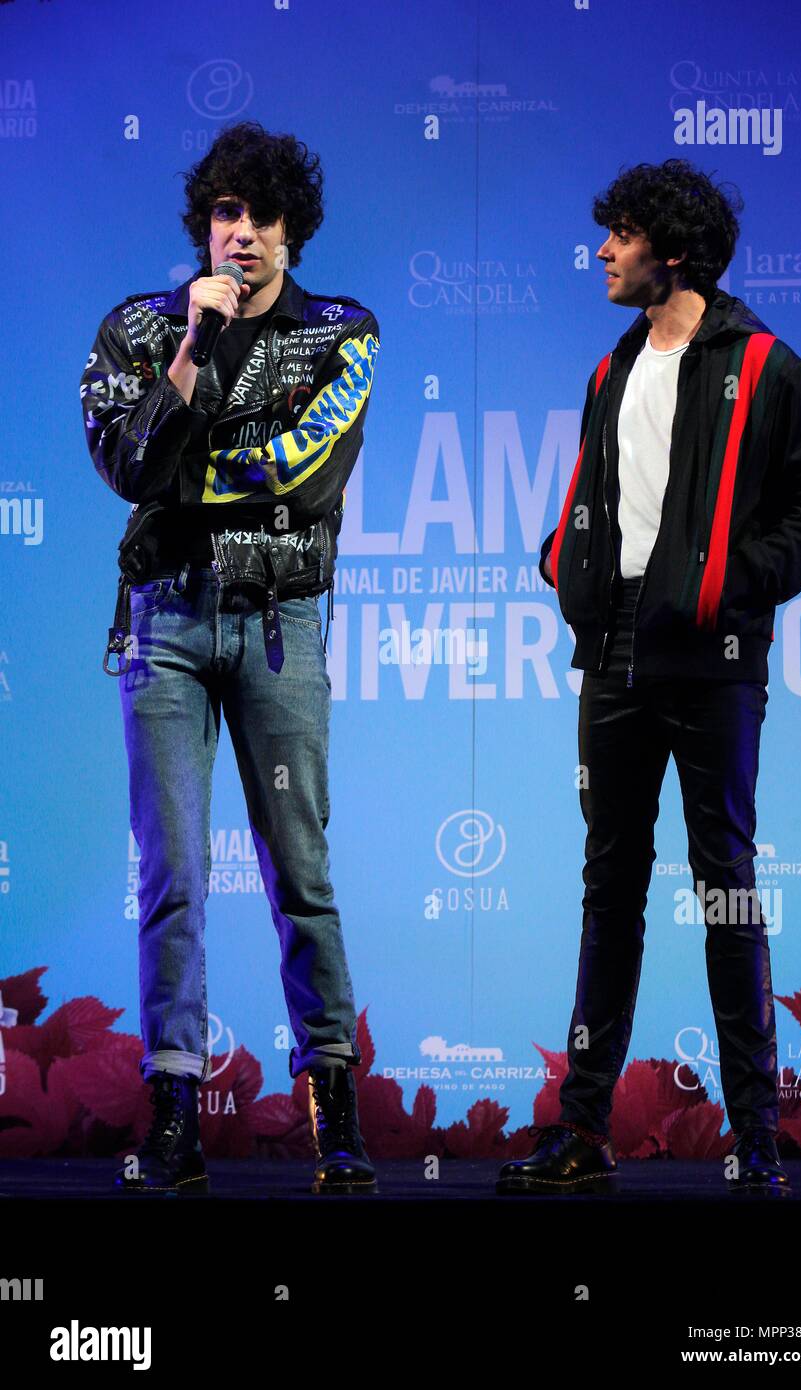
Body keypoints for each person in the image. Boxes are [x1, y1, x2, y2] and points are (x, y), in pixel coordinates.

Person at [496, 158, 801, 1199]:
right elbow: (598, 501)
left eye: (618, 234)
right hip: (610, 662)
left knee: (725, 889)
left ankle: (755, 1140)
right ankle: (579, 1134)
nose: (600, 251)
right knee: (607, 890)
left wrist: (732, 587)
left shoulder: (762, 364)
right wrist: (564, 564)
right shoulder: (610, 369)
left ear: (673, 250)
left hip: (715, 667)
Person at [80, 120, 381, 1195]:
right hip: (162, 623)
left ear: (292, 232)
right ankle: (173, 1114)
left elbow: (297, 474)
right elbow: (126, 464)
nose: (239, 233)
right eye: (223, 213)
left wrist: (180, 475)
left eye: (259, 216)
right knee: (172, 877)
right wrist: (187, 357)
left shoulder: (343, 332)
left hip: (276, 622)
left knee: (299, 872)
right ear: (202, 226)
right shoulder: (136, 328)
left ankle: (333, 1109)